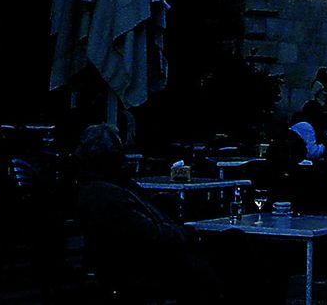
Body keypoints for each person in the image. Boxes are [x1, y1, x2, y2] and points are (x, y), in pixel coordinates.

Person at [72, 124, 225, 304]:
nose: (125, 160)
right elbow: (149, 234)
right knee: (230, 248)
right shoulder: (107, 194)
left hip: (150, 258)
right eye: (119, 154)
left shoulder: (110, 186)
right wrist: (191, 235)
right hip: (151, 265)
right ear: (108, 158)